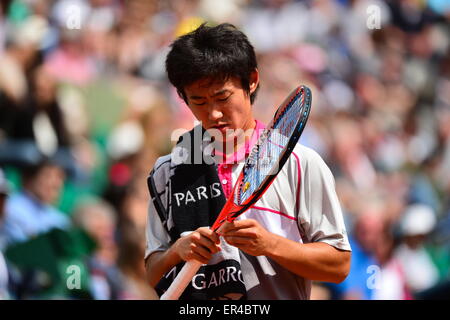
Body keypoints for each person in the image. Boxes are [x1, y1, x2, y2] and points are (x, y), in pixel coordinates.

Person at [144, 23, 351, 300]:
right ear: (183, 98)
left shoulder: (300, 163)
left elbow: (338, 266)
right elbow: (153, 271)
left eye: (222, 97)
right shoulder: (167, 172)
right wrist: (176, 252)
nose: (214, 113)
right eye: (198, 101)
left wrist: (270, 244)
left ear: (251, 80)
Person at [0, 160, 70, 247]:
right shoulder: (8, 207)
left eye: (60, 177)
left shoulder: (60, 220)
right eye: (48, 176)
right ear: (28, 179)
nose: (56, 184)